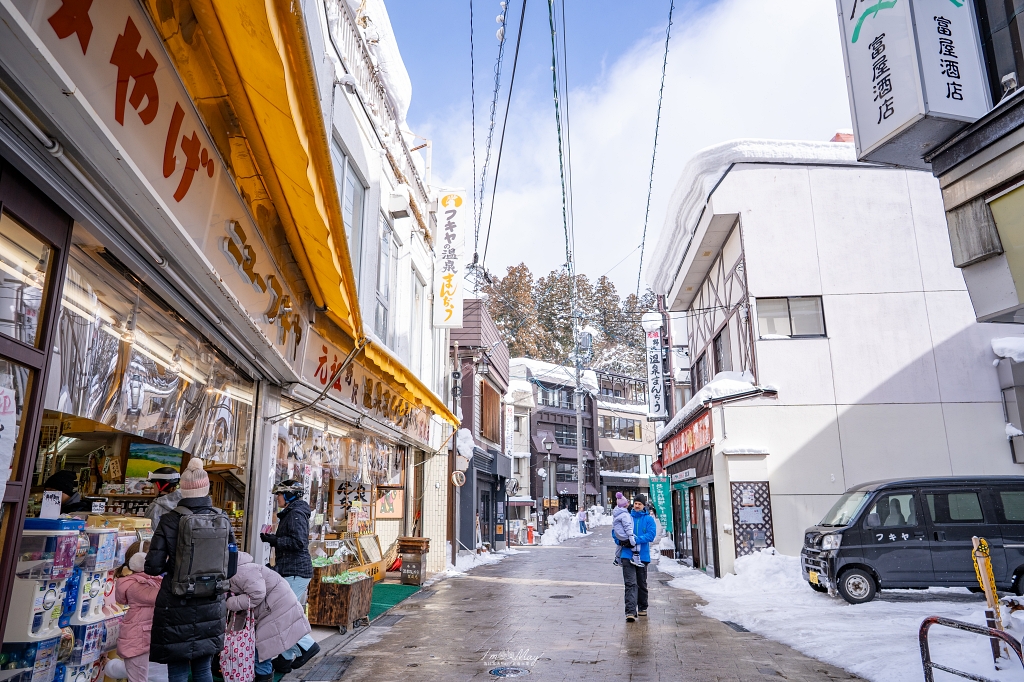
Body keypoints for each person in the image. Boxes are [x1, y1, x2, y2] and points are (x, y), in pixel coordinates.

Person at [145, 458, 234, 682]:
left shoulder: (169, 520)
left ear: (183, 489)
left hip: (176, 602)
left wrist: (173, 567)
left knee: (177, 670)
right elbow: (231, 567)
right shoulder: (222, 518)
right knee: (203, 669)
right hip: (212, 602)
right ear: (206, 488)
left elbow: (152, 567)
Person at [259, 480, 318, 671]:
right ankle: (284, 659)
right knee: (286, 614)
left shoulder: (295, 514)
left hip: (296, 572)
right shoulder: (292, 513)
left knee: (281, 615)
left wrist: (274, 540)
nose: (277, 497)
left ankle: (308, 646)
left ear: (289, 495)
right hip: (291, 570)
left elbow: (299, 542)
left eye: (280, 494)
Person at [225, 551, 311, 682]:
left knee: (261, 647)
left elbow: (257, 594)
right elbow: (243, 609)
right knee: (264, 645)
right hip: (274, 604)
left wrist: (229, 603)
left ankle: (307, 648)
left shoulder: (240, 572)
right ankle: (306, 649)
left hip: (274, 606)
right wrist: (231, 633)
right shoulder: (240, 570)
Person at [115, 546, 162, 682]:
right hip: (138, 638)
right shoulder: (137, 585)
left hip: (143, 637)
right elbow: (161, 596)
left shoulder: (149, 580)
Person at [614, 493, 657, 623]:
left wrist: (636, 540)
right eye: (636, 503)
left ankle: (643, 606)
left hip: (642, 556)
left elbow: (651, 535)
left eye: (639, 504)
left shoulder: (648, 519)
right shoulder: (626, 516)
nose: (637, 506)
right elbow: (615, 531)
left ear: (644, 506)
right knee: (630, 583)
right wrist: (621, 541)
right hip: (627, 554)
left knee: (641, 583)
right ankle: (630, 612)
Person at [611, 492, 642, 568]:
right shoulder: (625, 515)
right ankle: (636, 558)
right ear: (625, 504)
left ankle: (617, 559)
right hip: (624, 535)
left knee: (620, 545)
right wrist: (631, 537)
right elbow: (627, 526)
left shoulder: (616, 513)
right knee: (636, 543)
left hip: (619, 535)